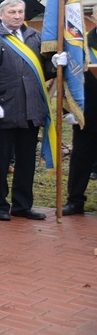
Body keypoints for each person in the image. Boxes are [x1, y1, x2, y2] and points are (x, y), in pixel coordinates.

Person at [0, 0, 61, 221]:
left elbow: (44, 70)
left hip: (30, 110)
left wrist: (55, 64)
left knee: (26, 162)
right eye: (12, 11)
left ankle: (23, 205)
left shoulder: (34, 36)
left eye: (20, 11)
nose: (17, 15)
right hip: (2, 110)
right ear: (1, 15)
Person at [61, 23, 97, 215]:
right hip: (88, 113)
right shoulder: (81, 45)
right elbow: (69, 78)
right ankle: (75, 200)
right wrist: (67, 108)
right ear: (94, 17)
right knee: (81, 160)